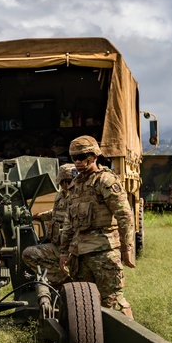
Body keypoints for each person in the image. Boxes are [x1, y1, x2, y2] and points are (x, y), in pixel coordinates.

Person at [58, 135, 136, 318]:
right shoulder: (76, 184)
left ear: (93, 156)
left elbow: (124, 215)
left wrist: (127, 248)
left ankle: (124, 342)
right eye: (74, 158)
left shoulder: (105, 181)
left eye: (82, 157)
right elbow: (69, 222)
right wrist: (63, 252)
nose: (77, 162)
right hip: (80, 256)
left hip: (104, 253)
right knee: (84, 307)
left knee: (113, 303)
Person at [22, 163, 75, 287]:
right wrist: (42, 215)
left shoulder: (78, 197)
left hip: (70, 247)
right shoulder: (61, 195)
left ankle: (66, 280)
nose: (61, 185)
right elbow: (56, 212)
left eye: (63, 182)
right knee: (29, 254)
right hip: (56, 245)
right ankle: (61, 279)